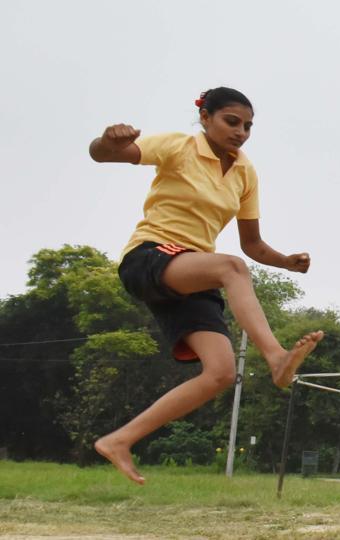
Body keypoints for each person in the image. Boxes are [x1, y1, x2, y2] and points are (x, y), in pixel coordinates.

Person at [88, 87, 323, 485]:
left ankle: (119, 440)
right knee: (230, 267)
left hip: (193, 272)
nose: (241, 132)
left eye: (248, 126)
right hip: (150, 257)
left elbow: (252, 245)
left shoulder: (246, 172)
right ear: (205, 118)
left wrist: (286, 262)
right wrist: (107, 140)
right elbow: (104, 154)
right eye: (232, 122)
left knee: (221, 373)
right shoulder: (178, 146)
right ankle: (276, 357)